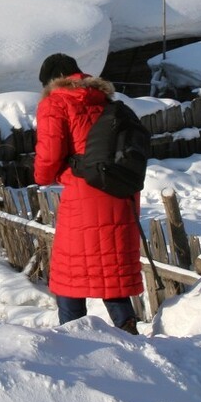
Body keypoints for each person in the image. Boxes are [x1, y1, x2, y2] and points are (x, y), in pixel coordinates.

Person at [33, 53, 142, 334]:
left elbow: (49, 157)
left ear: (51, 81)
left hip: (84, 195)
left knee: (71, 273)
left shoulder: (55, 103)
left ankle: (72, 338)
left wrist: (46, 175)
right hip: (119, 192)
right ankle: (128, 329)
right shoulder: (105, 101)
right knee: (111, 268)